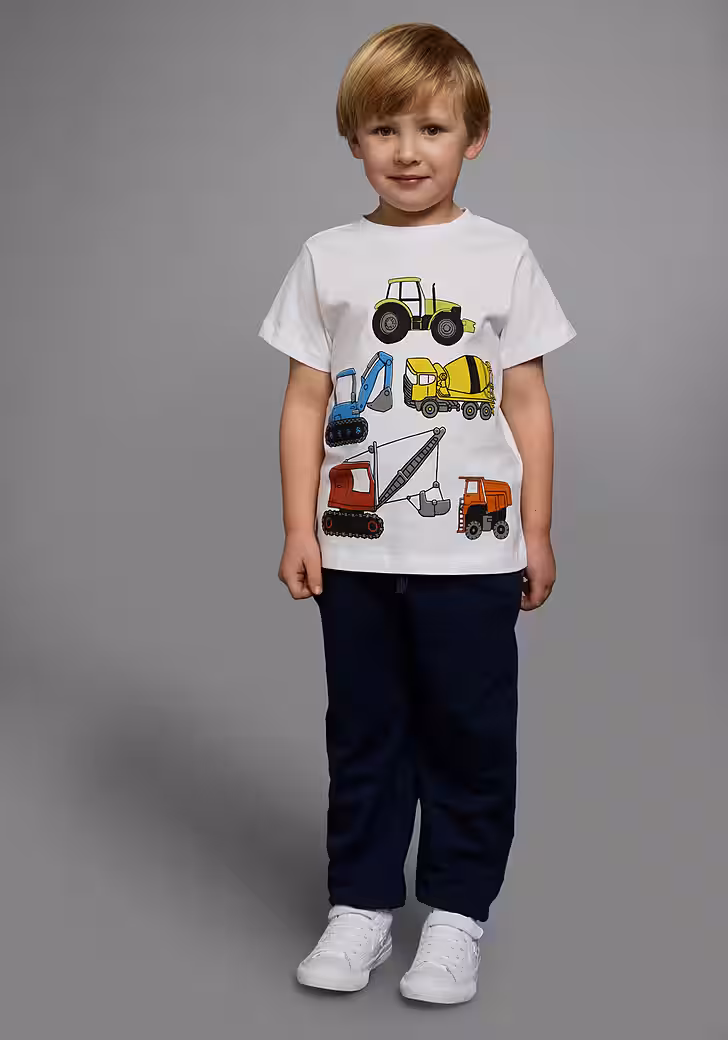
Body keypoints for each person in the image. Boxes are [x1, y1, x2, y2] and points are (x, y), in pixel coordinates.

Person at [257, 22, 577, 1006]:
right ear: (353, 138)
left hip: (471, 557)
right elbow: (305, 401)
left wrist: (535, 530)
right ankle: (359, 905)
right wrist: (300, 526)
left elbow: (526, 400)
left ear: (472, 137)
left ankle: (455, 915)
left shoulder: (502, 255)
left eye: (431, 129)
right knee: (364, 732)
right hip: (355, 552)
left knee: (468, 736)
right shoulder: (327, 257)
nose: (407, 151)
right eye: (383, 129)